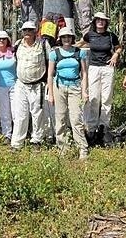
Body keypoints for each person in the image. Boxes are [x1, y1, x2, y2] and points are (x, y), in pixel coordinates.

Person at [47, 27, 89, 159]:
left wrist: (84, 91)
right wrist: (51, 94)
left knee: (76, 118)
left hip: (75, 87)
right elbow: (50, 74)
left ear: (72, 38)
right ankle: (62, 148)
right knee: (60, 118)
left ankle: (82, 148)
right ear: (60, 39)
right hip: (59, 87)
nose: (66, 39)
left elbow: (84, 73)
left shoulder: (79, 52)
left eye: (69, 37)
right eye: (64, 37)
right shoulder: (54, 53)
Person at [82, 12, 122, 146]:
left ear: (106, 22)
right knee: (94, 98)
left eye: (103, 20)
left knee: (106, 98)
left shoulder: (111, 36)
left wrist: (116, 55)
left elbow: (119, 47)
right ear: (95, 21)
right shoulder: (89, 35)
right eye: (98, 19)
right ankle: (92, 129)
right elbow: (80, 44)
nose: (100, 22)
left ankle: (104, 127)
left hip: (107, 68)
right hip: (93, 68)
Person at [10, 21, 51, 150]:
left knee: (37, 113)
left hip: (37, 85)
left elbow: (50, 63)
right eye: (25, 30)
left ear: (35, 31)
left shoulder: (43, 45)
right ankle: (17, 143)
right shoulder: (17, 45)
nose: (27, 32)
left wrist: (49, 81)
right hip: (21, 84)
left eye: (30, 30)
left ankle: (36, 140)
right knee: (20, 114)